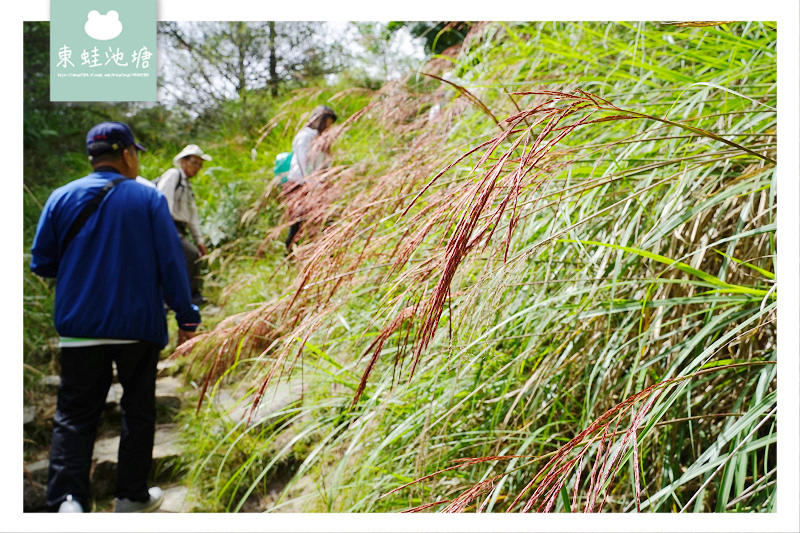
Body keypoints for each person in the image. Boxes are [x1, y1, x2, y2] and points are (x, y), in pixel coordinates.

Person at [30, 122, 201, 513]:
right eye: (136, 153)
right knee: (138, 411)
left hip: (79, 327)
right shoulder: (147, 199)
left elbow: (42, 263)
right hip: (137, 327)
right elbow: (172, 264)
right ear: (126, 154)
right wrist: (187, 318)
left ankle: (69, 502)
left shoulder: (60, 197)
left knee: (74, 415)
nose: (137, 159)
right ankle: (130, 496)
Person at [156, 144, 212, 305]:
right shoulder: (174, 175)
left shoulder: (187, 186)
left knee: (189, 257)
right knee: (191, 255)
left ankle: (184, 296)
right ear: (183, 161)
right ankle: (187, 296)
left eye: (199, 165)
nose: (197, 168)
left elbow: (192, 217)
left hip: (179, 228)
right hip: (169, 225)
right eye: (194, 163)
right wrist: (165, 230)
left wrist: (199, 240)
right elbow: (163, 201)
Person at [283, 105, 337, 250]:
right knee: (297, 222)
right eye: (327, 123)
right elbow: (303, 163)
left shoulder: (321, 138)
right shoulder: (305, 136)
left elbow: (325, 164)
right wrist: (313, 185)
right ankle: (289, 253)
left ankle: (328, 251)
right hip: (299, 185)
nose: (328, 127)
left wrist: (325, 181)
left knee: (324, 218)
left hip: (316, 185)